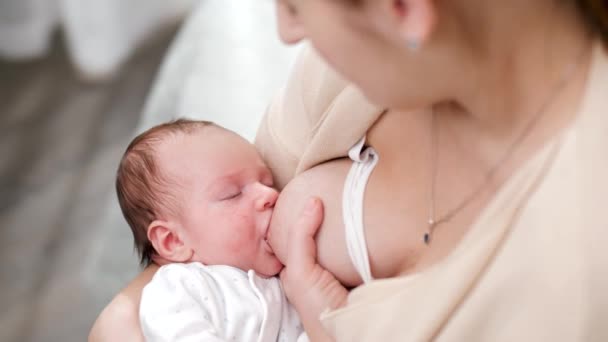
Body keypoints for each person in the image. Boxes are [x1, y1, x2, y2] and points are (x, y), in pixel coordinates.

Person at [91, 0, 608, 341]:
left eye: (295, 5)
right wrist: (117, 323)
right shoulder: (349, 80)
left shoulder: (574, 277)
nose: (286, 30)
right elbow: (188, 240)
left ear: (401, 10)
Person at [113, 119, 305, 341]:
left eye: (268, 182)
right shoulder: (178, 290)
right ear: (173, 241)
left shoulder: (286, 274)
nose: (270, 195)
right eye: (233, 194)